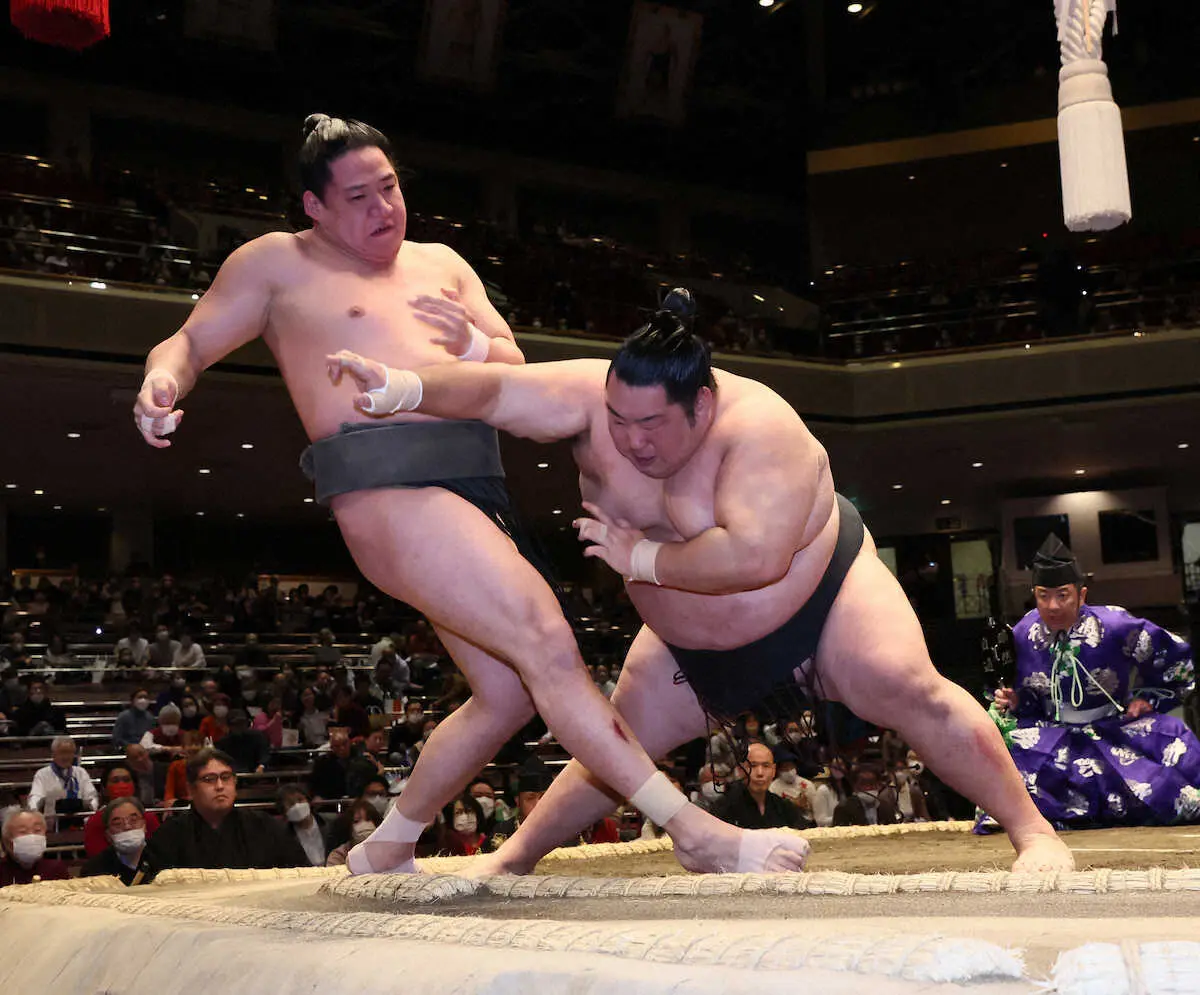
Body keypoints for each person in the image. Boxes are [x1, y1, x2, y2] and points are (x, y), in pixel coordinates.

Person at [135, 114, 803, 882]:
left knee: (509, 692)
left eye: (389, 188)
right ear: (314, 207)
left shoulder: (443, 262)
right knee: (546, 641)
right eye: (358, 196)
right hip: (384, 482)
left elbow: (513, 363)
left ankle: (388, 843)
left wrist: (473, 345)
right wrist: (162, 386)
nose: (383, 208)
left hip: (478, 480)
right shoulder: (274, 266)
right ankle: (693, 830)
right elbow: (188, 341)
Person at [326, 287, 1075, 874]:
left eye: (652, 424)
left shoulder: (762, 431)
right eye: (620, 419)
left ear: (703, 403)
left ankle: (1032, 831)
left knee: (908, 685)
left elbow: (756, 559)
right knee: (612, 742)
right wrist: (402, 388)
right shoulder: (595, 400)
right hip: (687, 640)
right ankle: (516, 854)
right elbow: (493, 392)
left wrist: (641, 560)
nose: (631, 439)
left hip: (823, 598)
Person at [986, 534, 1200, 828]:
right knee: (1004, 750)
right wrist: (1016, 700)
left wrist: (1148, 697)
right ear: (1033, 594)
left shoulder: (1115, 625)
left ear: (1081, 595)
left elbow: (1174, 659)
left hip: (1113, 727)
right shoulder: (1024, 632)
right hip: (1054, 734)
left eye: (1062, 595)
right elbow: (1027, 696)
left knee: (1173, 735)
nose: (1052, 605)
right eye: (1043, 595)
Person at [143, 748, 307, 876]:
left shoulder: (265, 826)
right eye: (209, 779)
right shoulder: (169, 836)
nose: (220, 786)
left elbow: (299, 873)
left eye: (226, 777)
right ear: (191, 789)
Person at [707, 742, 806, 831]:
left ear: (774, 771)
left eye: (766, 766)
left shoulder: (784, 807)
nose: (760, 773)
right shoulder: (723, 808)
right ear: (741, 770)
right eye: (753, 766)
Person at [83, 765, 161, 857]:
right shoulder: (95, 821)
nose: (121, 785)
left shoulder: (149, 817)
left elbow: (158, 850)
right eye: (115, 781)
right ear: (104, 788)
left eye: (126, 780)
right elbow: (96, 856)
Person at [27, 735, 100, 826]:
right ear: (53, 754)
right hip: (52, 821)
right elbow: (36, 797)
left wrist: (93, 808)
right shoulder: (42, 774)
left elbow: (91, 796)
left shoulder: (80, 772)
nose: (66, 757)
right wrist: (34, 812)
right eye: (62, 753)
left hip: (80, 819)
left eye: (69, 753)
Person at [80, 797, 151, 885]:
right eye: (117, 824)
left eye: (133, 820)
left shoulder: (164, 858)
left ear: (144, 825)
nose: (127, 827)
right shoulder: (94, 870)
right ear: (108, 835)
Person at [0, 809, 68, 886]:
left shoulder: (56, 868)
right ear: (7, 839)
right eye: (23, 831)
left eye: (37, 830)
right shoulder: (2, 871)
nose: (32, 836)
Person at [278, 783, 329, 867]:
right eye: (291, 804)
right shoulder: (282, 836)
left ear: (308, 801)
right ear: (284, 812)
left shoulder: (329, 823)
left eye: (300, 800)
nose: (297, 806)